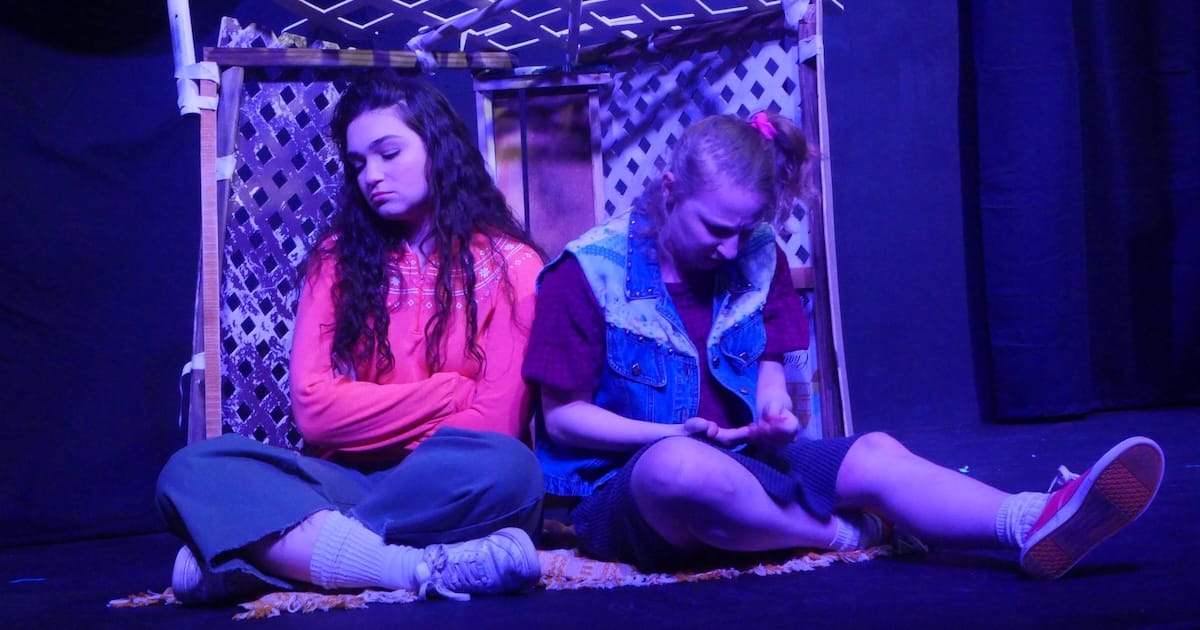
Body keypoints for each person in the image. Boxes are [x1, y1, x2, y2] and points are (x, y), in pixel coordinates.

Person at [523, 111, 1165, 579]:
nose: (729, 247)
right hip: (621, 488)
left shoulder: (756, 254)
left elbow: (768, 367)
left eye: (744, 229)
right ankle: (841, 533)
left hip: (744, 463)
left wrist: (775, 412)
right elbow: (563, 419)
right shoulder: (586, 272)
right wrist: (670, 435)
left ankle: (1031, 520)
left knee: (876, 451)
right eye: (715, 228)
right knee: (681, 469)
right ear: (670, 192)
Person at [156, 71, 547, 605]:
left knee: (511, 470)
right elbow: (315, 411)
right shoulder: (335, 260)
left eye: (389, 153)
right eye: (359, 163)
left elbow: (496, 423)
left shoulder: (512, 265)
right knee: (190, 471)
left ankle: (270, 551)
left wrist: (369, 419)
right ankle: (404, 566)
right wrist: (449, 393)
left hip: (448, 481)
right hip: (346, 479)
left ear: (439, 149)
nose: (372, 176)